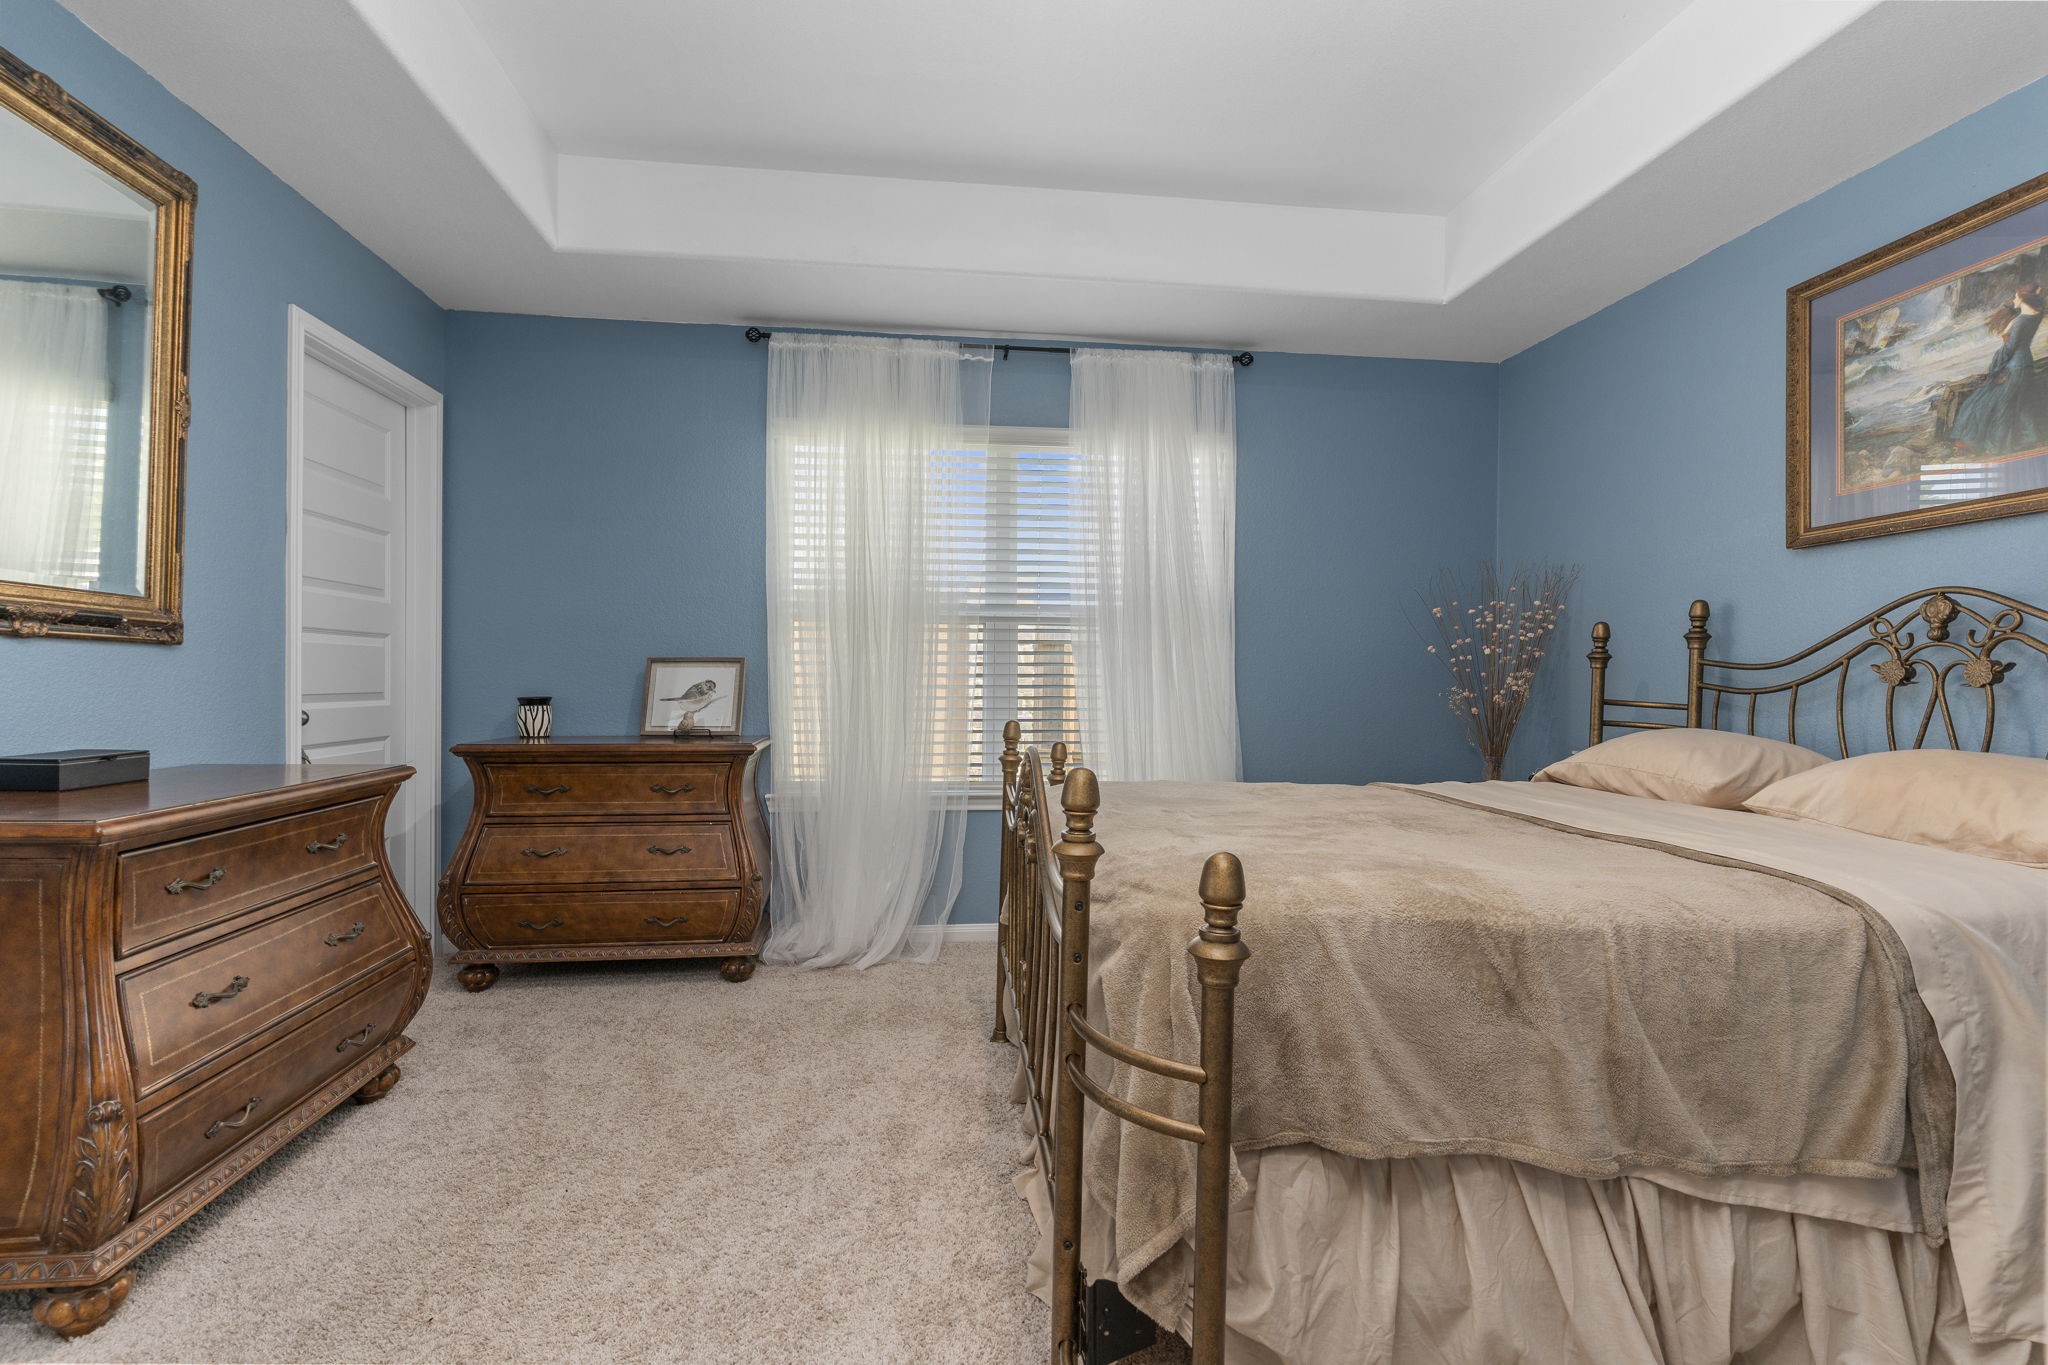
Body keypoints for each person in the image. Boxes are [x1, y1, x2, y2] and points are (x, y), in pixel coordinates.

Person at [1950, 282, 2047, 457]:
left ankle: (1991, 446)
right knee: (2018, 403)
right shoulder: (2036, 316)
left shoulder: (2020, 322)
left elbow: (2009, 349)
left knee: (1995, 404)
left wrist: (1995, 367)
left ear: (2023, 298)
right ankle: (2031, 437)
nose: (2013, 299)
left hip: (2013, 367)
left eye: (2016, 296)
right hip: (2025, 364)